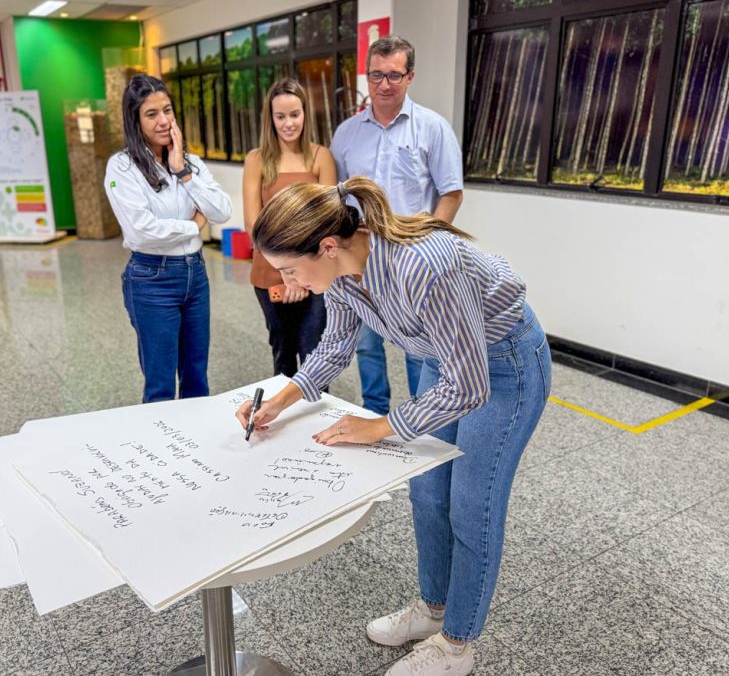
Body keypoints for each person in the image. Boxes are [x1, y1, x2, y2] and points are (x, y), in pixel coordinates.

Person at [235, 177, 551, 676]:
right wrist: (283, 398)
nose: (290, 282)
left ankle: (456, 647)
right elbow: (337, 345)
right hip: (442, 356)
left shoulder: (424, 267)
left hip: (503, 364)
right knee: (427, 493)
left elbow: (468, 386)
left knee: (473, 506)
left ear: (328, 245)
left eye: (291, 269)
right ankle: (433, 611)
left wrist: (380, 426)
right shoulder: (338, 273)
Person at [330, 35, 464, 416]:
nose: (383, 84)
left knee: (417, 346)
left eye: (393, 75)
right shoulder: (346, 133)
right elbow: (337, 197)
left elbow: (451, 193)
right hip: (362, 258)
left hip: (413, 259)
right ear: (367, 77)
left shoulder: (433, 128)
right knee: (367, 343)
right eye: (376, 75)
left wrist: (430, 246)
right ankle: (374, 412)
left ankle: (419, 413)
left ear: (410, 77)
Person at [105, 74, 232, 403]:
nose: (164, 121)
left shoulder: (190, 163)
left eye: (168, 110)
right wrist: (193, 227)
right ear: (135, 119)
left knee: (196, 377)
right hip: (152, 279)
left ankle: (195, 450)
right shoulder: (122, 168)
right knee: (160, 383)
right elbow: (141, 230)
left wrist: (183, 172)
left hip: (196, 275)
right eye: (151, 114)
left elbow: (221, 211)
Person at [242, 79, 337, 378]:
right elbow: (253, 225)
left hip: (316, 274)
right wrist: (286, 272)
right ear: (270, 118)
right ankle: (279, 419)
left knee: (314, 354)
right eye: (280, 116)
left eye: (294, 114)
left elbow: (328, 222)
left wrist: (301, 276)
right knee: (282, 353)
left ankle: (317, 423)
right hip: (270, 273)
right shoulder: (257, 160)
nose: (288, 123)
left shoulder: (321, 156)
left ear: (305, 114)